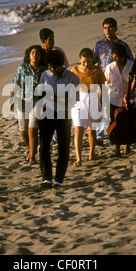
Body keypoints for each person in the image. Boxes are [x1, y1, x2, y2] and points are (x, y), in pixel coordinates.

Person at [37, 50, 80, 189]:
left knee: (63, 148)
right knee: (44, 147)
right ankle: (46, 179)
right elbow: (40, 94)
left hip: (64, 115)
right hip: (47, 113)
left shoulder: (73, 78)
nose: (53, 70)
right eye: (50, 67)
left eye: (55, 67)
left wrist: (53, 97)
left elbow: (73, 101)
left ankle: (59, 180)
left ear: (62, 65)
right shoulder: (45, 75)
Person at [92, 17, 135, 146]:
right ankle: (100, 137)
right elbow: (93, 60)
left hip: (120, 80)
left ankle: (122, 135)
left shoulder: (123, 45)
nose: (108, 30)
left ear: (115, 28)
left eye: (110, 27)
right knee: (101, 107)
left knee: (119, 110)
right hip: (104, 79)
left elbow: (131, 61)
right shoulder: (98, 45)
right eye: (105, 28)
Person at [9, 45, 47, 164]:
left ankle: (32, 156)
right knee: (23, 130)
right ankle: (32, 149)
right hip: (23, 101)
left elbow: (47, 88)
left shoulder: (44, 70)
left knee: (32, 130)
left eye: (37, 53)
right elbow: (16, 84)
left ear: (41, 56)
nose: (35, 55)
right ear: (29, 55)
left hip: (38, 101)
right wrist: (11, 100)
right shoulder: (22, 68)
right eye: (32, 53)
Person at [70, 48, 106, 166]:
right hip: (79, 100)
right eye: (84, 61)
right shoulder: (74, 70)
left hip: (93, 98)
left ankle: (92, 152)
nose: (86, 64)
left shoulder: (97, 70)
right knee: (78, 129)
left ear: (92, 60)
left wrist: (99, 101)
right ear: (80, 60)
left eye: (89, 61)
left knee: (91, 130)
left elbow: (102, 86)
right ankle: (79, 158)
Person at [105, 43, 134, 157]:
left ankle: (127, 145)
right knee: (114, 123)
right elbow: (106, 83)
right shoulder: (110, 67)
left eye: (119, 57)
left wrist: (130, 94)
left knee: (128, 122)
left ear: (124, 56)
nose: (116, 59)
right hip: (114, 99)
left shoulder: (131, 66)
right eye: (114, 57)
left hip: (129, 99)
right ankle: (116, 148)